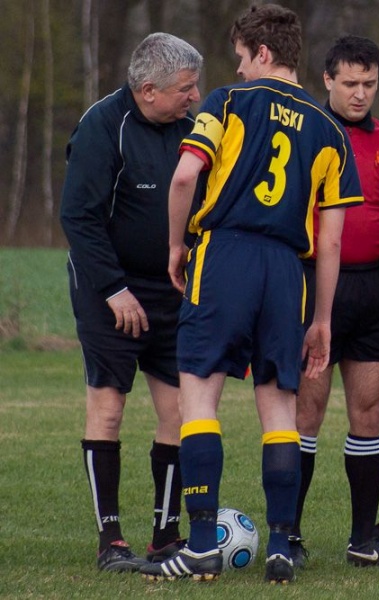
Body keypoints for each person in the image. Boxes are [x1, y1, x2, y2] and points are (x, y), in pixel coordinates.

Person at [138, 3, 361, 584]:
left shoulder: (228, 103)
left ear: (262, 54)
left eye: (240, 57)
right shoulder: (330, 128)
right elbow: (333, 243)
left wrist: (175, 246)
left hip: (227, 254)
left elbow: (186, 175)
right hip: (290, 269)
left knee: (199, 397)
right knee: (280, 409)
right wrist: (324, 320)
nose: (236, 69)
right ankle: (283, 546)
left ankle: (204, 543)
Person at [59, 32, 202, 573]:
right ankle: (110, 540)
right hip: (106, 290)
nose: (194, 97)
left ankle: (166, 536)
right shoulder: (103, 126)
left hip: (171, 291)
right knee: (109, 406)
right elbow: (78, 217)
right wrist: (114, 289)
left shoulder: (193, 128)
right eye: (185, 89)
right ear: (147, 90)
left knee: (181, 411)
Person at [290, 35, 379, 570]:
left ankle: (363, 539)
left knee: (368, 412)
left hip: (373, 291)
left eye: (369, 84)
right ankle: (289, 535)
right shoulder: (305, 133)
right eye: (350, 83)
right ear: (327, 80)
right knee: (307, 411)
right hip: (312, 286)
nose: (360, 93)